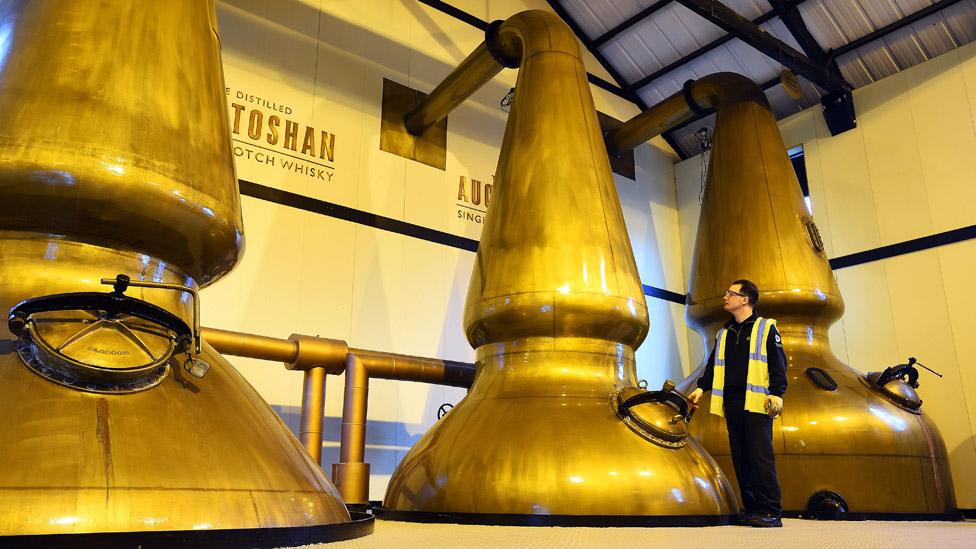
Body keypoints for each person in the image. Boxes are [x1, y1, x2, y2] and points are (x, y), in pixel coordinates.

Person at [688, 279, 787, 528]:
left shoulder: (766, 328)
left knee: (759, 457)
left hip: (756, 403)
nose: (725, 297)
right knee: (741, 457)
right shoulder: (724, 332)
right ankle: (752, 509)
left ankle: (770, 511)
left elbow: (778, 363)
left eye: (730, 293)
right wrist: (701, 387)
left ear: (745, 299)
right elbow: (713, 366)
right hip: (732, 404)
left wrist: (777, 392)